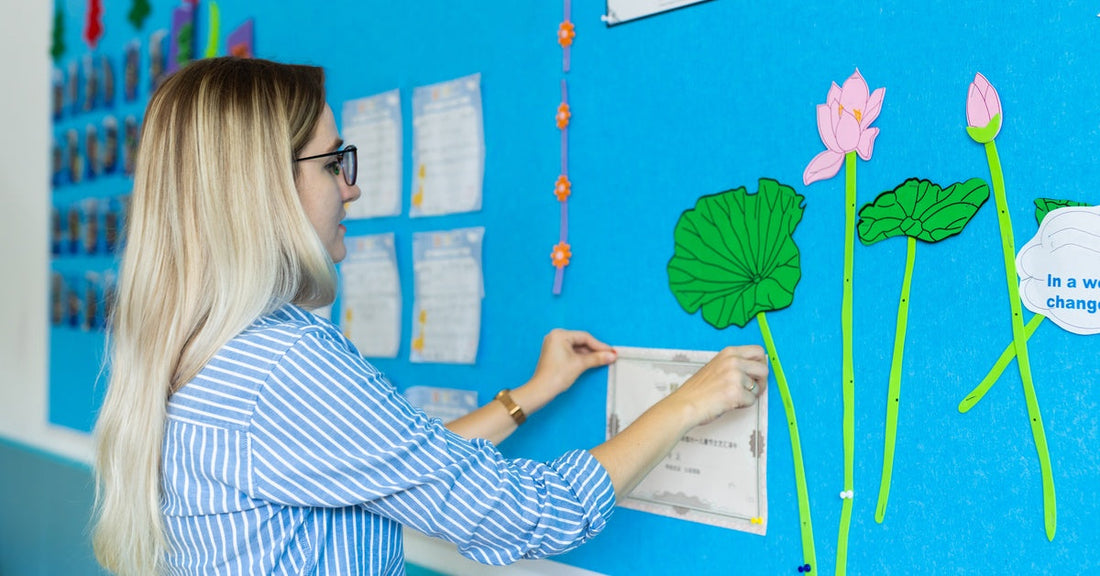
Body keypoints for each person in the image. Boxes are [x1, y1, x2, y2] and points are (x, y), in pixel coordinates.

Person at [91, 57, 768, 576]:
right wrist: (685, 403)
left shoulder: (205, 348)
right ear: (262, 186)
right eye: (333, 163)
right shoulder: (284, 364)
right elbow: (525, 518)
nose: (352, 185)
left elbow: (393, 463)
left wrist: (531, 395)